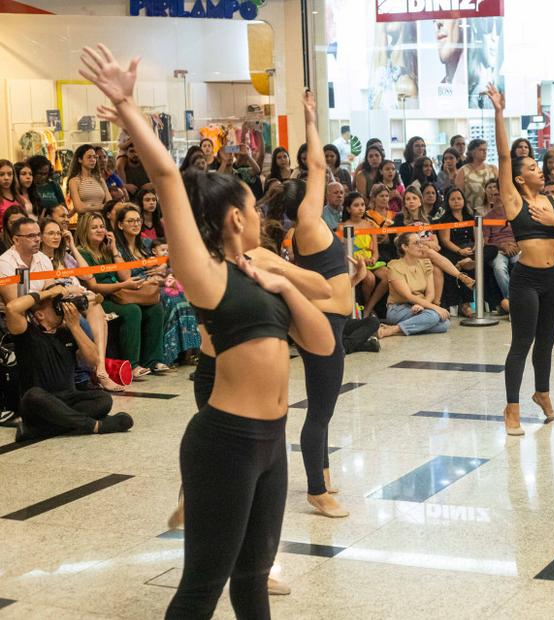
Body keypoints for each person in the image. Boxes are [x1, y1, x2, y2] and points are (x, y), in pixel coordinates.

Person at [80, 43, 334, 619]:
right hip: (225, 443)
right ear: (235, 217)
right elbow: (170, 175)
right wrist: (126, 106)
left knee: (251, 578)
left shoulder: (262, 272)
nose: (260, 215)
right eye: (251, 206)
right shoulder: (208, 277)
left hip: (272, 442)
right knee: (202, 587)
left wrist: (287, 289)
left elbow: (321, 343)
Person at [486, 84, 554, 435]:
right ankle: (511, 408)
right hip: (525, 279)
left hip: (551, 279)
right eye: (532, 167)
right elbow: (503, 155)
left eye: (538, 166)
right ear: (519, 177)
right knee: (521, 343)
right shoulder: (514, 201)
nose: (540, 170)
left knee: (547, 342)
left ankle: (542, 393)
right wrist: (499, 112)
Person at [284, 91, 353, 519]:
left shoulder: (309, 226)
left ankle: (322, 474)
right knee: (320, 410)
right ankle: (315, 491)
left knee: (322, 407)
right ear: (302, 203)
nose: (323, 186)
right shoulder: (308, 221)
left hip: (330, 321)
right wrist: (310, 119)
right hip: (324, 325)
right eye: (311, 191)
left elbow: (317, 170)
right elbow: (316, 165)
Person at [7, 284, 133, 442]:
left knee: (103, 399)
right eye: (55, 305)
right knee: (33, 395)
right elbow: (12, 308)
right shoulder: (26, 333)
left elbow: (94, 360)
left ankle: (40, 430)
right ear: (39, 315)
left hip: (67, 399)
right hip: (39, 404)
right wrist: (51, 292)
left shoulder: (66, 333)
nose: (61, 307)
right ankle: (95, 426)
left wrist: (75, 327)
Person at [36, 217, 124, 392]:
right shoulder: (40, 260)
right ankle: (89, 375)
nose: (56, 237)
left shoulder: (65, 256)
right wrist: (73, 291)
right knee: (90, 321)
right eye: (50, 233)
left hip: (80, 299)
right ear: (41, 236)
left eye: (58, 233)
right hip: (58, 303)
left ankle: (100, 371)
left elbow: (86, 275)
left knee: (96, 308)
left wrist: (72, 246)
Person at [76, 212, 168, 377]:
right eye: (94, 227)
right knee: (132, 310)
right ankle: (131, 365)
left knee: (155, 308)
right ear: (84, 230)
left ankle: (153, 361)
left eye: (102, 226)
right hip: (99, 299)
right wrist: (123, 285)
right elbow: (93, 286)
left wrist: (114, 250)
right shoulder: (83, 254)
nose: (100, 230)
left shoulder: (107, 250)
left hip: (119, 293)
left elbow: (125, 275)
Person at [115, 204, 199, 366]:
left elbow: (168, 258)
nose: (136, 224)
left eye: (138, 220)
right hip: (135, 288)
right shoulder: (118, 249)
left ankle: (189, 352)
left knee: (185, 298)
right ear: (120, 225)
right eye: (130, 221)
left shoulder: (146, 243)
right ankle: (169, 354)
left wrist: (164, 268)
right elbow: (124, 277)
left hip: (156, 285)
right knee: (171, 301)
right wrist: (148, 281)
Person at [380, 232, 451, 338]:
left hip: (419, 306)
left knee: (444, 324)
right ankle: (393, 330)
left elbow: (431, 293)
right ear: (405, 247)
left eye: (421, 242)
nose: (421, 246)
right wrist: (436, 308)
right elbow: (408, 296)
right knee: (434, 316)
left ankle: (395, 329)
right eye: (416, 243)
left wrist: (422, 305)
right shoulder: (394, 266)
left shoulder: (425, 263)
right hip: (398, 309)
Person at [341, 192, 388, 317]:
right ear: (348, 208)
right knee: (370, 278)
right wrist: (360, 262)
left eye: (362, 204)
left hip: (371, 261)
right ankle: (367, 307)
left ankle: (369, 307)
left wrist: (373, 258)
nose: (361, 208)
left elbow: (376, 252)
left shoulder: (370, 225)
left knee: (389, 275)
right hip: (354, 263)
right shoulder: (342, 227)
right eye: (356, 205)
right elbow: (344, 253)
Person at [436, 187, 476, 317]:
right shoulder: (446, 218)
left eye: (459, 198)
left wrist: (475, 248)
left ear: (464, 200)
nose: (456, 201)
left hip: (470, 248)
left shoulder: (470, 217)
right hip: (453, 249)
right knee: (459, 263)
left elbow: (478, 238)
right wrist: (460, 251)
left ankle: (466, 261)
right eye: (452, 199)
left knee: (487, 253)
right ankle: (465, 304)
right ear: (447, 202)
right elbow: (445, 241)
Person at [483, 179, 517, 313]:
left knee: (523, 264)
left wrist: (516, 246)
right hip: (498, 250)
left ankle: (510, 303)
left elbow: (522, 233)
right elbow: (486, 241)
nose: (496, 197)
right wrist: (502, 246)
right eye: (493, 195)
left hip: (516, 247)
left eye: (498, 194)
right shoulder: (487, 217)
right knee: (499, 268)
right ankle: (513, 302)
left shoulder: (514, 213)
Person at [455, 138, 498, 215]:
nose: (484, 152)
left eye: (486, 150)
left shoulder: (493, 169)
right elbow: (459, 195)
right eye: (481, 150)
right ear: (472, 152)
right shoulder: (463, 171)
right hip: (472, 212)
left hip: (493, 211)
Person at [66, 145, 110, 216]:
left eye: (94, 157)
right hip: (85, 221)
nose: (93, 160)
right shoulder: (74, 181)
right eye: (89, 157)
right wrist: (100, 207)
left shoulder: (100, 180)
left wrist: (88, 207)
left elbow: (109, 204)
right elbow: (79, 208)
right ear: (80, 159)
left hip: (101, 221)